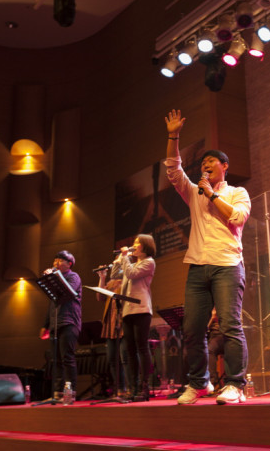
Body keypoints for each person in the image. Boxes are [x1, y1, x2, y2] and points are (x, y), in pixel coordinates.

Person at [164, 108, 251, 405]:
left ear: (224, 166)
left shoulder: (237, 192)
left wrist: (212, 195)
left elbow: (237, 218)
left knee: (230, 326)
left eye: (211, 161)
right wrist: (174, 136)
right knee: (192, 330)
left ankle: (235, 384)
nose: (205, 165)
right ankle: (200, 383)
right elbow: (173, 170)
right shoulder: (193, 193)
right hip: (197, 267)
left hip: (228, 265)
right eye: (202, 163)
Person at [115, 234, 156, 402]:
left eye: (137, 242)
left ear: (146, 246)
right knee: (130, 350)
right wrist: (119, 260)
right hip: (127, 310)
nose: (134, 245)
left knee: (142, 347)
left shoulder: (149, 262)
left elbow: (131, 274)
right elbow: (116, 274)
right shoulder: (131, 263)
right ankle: (133, 387)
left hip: (141, 309)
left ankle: (144, 387)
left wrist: (125, 257)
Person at [39, 250, 82, 398]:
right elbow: (52, 303)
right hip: (55, 323)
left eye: (60, 261)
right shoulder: (55, 279)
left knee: (67, 358)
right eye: (55, 260)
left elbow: (69, 292)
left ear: (69, 264)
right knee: (55, 360)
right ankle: (57, 392)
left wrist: (55, 276)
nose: (56, 263)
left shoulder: (73, 276)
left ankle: (71, 391)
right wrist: (45, 325)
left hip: (69, 321)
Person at [96, 264, 127, 398]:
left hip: (123, 322)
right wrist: (102, 277)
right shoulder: (110, 283)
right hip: (110, 324)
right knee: (112, 359)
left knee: (125, 357)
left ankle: (129, 387)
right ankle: (119, 388)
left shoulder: (127, 280)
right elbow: (100, 297)